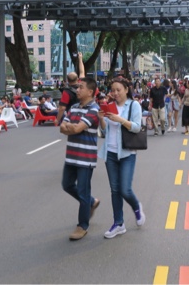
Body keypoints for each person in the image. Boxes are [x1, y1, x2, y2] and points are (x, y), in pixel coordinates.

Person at [97, 78, 146, 239]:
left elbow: (137, 127)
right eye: (113, 90)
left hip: (127, 153)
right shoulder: (109, 106)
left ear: (126, 89)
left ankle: (136, 207)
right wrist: (101, 118)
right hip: (110, 153)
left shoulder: (134, 105)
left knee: (125, 189)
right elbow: (105, 132)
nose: (115, 93)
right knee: (115, 190)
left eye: (118, 89)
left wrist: (120, 120)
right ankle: (118, 223)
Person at [60, 77, 100, 241]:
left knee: (83, 192)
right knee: (67, 185)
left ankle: (82, 226)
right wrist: (73, 127)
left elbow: (76, 128)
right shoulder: (74, 107)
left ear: (90, 92)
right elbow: (62, 127)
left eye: (81, 87)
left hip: (86, 157)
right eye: (77, 87)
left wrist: (72, 127)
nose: (77, 90)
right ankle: (91, 202)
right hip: (71, 155)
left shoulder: (94, 110)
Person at [58, 52, 86, 124]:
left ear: (67, 80)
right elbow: (82, 72)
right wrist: (80, 59)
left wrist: (57, 119)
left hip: (72, 117)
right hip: (84, 115)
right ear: (77, 79)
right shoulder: (82, 85)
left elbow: (62, 108)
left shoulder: (66, 92)